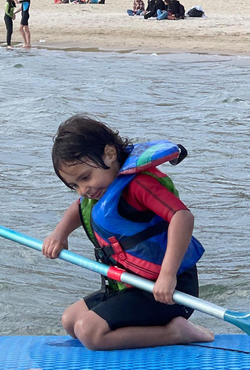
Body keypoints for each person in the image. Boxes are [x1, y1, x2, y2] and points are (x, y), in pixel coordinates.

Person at [42, 115, 213, 351]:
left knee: (89, 333)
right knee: (71, 322)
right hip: (133, 285)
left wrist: (167, 275)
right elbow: (80, 206)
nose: (84, 189)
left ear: (110, 154)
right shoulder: (98, 191)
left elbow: (182, 217)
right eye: (75, 186)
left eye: (85, 178)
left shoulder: (138, 185)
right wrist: (60, 233)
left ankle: (174, 333)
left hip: (168, 290)